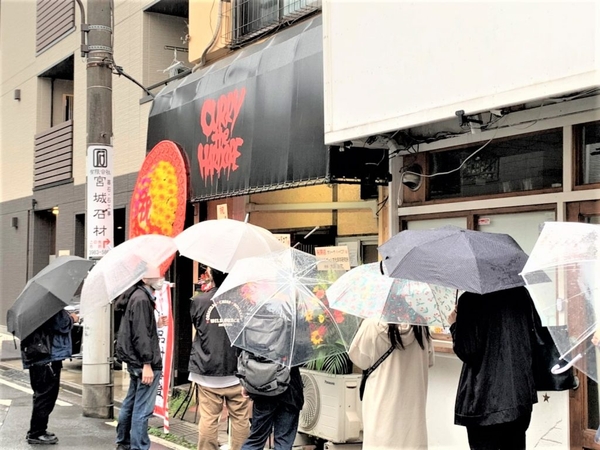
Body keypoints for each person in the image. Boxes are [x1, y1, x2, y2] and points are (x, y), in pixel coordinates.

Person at [449, 286, 538, 450]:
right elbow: (533, 338)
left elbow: (467, 350)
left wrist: (455, 325)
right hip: (518, 395)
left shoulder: (470, 299)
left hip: (483, 400)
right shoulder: (520, 293)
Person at [188, 267, 250, 450]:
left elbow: (197, 325)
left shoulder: (199, 301)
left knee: (208, 418)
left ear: (212, 275)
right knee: (240, 419)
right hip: (237, 370)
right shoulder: (244, 301)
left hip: (207, 369)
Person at [348, 318, 434, 449]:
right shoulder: (421, 327)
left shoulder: (372, 325)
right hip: (413, 419)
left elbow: (360, 360)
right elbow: (429, 361)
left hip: (381, 412)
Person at [115, 266, 168, 450]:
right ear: (144, 278)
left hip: (134, 359)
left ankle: (124, 442)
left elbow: (140, 329)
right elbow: (141, 335)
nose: (161, 277)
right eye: (157, 274)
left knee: (131, 402)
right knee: (142, 408)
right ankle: (139, 446)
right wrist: (147, 363)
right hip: (144, 362)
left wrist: (156, 324)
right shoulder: (141, 299)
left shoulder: (136, 296)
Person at [23, 308, 79, 445]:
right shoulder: (50, 307)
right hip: (47, 356)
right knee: (46, 396)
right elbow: (61, 324)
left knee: (40, 394)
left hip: (36, 355)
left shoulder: (31, 308)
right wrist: (72, 318)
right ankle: (37, 433)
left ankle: (37, 430)